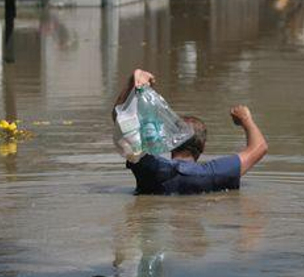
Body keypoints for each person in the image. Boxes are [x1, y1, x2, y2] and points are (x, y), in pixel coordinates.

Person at [112, 69, 268, 195]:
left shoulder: (148, 166)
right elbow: (260, 147)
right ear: (203, 147)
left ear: (170, 141)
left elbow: (122, 121)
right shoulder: (215, 173)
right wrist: (246, 119)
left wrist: (134, 82)